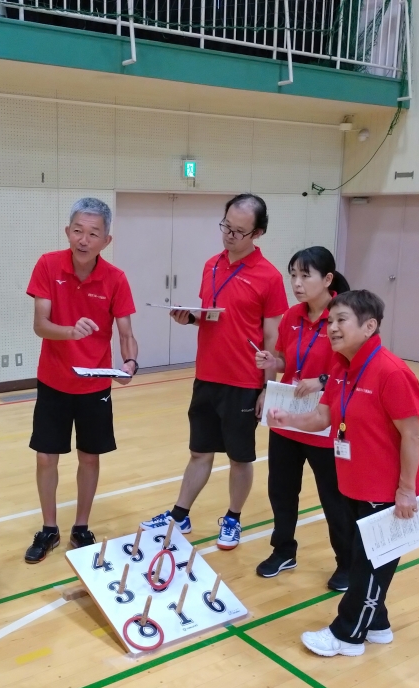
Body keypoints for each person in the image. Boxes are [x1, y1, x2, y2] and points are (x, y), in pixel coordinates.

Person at [267, 289, 419, 657]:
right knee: (360, 559)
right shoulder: (341, 367)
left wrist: (405, 490)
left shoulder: (391, 371)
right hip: (354, 482)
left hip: (385, 490)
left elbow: (412, 435)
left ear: (369, 327)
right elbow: (322, 417)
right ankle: (377, 624)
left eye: (342, 320)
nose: (333, 328)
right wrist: (288, 419)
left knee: (371, 565)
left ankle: (348, 635)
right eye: (331, 321)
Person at [141, 194, 288, 550]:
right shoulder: (211, 265)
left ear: (258, 233)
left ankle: (233, 519)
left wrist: (268, 388)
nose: (229, 236)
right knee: (199, 451)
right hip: (207, 376)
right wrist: (190, 317)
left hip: (243, 381)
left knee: (240, 457)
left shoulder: (269, 277)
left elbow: (272, 337)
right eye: (226, 227)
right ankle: (180, 515)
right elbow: (214, 317)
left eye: (239, 231)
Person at [23, 198, 139, 563]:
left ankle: (81, 527)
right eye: (77, 231)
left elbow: (126, 333)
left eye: (93, 233)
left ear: (106, 240)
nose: (83, 239)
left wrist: (130, 362)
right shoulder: (48, 265)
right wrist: (70, 332)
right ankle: (49, 528)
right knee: (46, 456)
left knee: (89, 457)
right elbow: (40, 324)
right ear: (67, 232)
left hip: (96, 385)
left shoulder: (116, 279)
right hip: (54, 380)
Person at [254, 247, 353, 589]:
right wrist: (273, 363)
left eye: (305, 276)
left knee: (333, 498)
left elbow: (355, 366)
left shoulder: (343, 317)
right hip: (287, 418)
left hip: (323, 420)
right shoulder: (291, 316)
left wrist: (322, 380)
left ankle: (346, 562)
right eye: (293, 275)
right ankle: (283, 550)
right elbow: (288, 362)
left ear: (327, 279)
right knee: (281, 491)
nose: (296, 283)